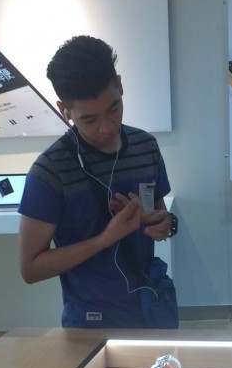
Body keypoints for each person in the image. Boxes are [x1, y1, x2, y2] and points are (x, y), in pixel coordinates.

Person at [18, 36, 178, 328]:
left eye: (114, 109)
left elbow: (161, 217)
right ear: (64, 110)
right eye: (89, 120)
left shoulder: (146, 147)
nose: (106, 127)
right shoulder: (50, 170)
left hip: (151, 307)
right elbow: (30, 268)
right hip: (90, 320)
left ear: (120, 84)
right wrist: (107, 238)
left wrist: (161, 223)